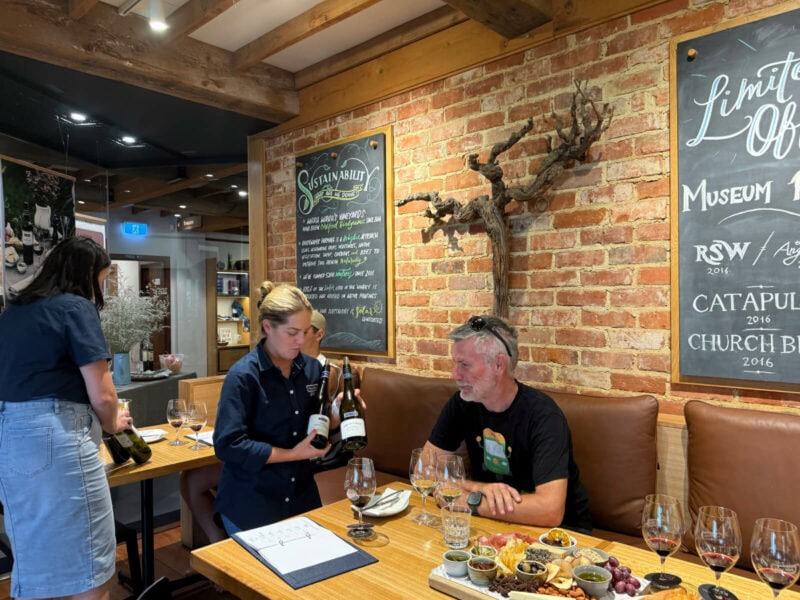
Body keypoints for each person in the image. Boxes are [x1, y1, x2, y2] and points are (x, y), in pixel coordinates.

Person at [0, 236, 131, 600]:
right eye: (102, 280)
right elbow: (103, 394)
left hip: (10, 439)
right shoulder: (75, 307)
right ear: (87, 274)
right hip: (58, 439)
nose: (100, 289)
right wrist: (113, 422)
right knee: (91, 574)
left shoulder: (13, 312)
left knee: (35, 563)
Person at [424, 315, 592, 532]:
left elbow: (550, 510)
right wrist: (475, 488)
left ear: (498, 364)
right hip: (494, 526)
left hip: (558, 537)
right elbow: (423, 471)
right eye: (455, 364)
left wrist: (470, 501)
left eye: (464, 365)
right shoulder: (463, 402)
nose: (454, 374)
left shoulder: (543, 415)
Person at [213, 281, 347, 533]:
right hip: (251, 502)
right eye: (292, 332)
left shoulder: (312, 369)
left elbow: (312, 429)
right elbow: (228, 445)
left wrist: (335, 417)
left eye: (306, 332)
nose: (301, 340)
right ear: (268, 327)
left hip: (301, 496)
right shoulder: (243, 376)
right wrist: (292, 454)